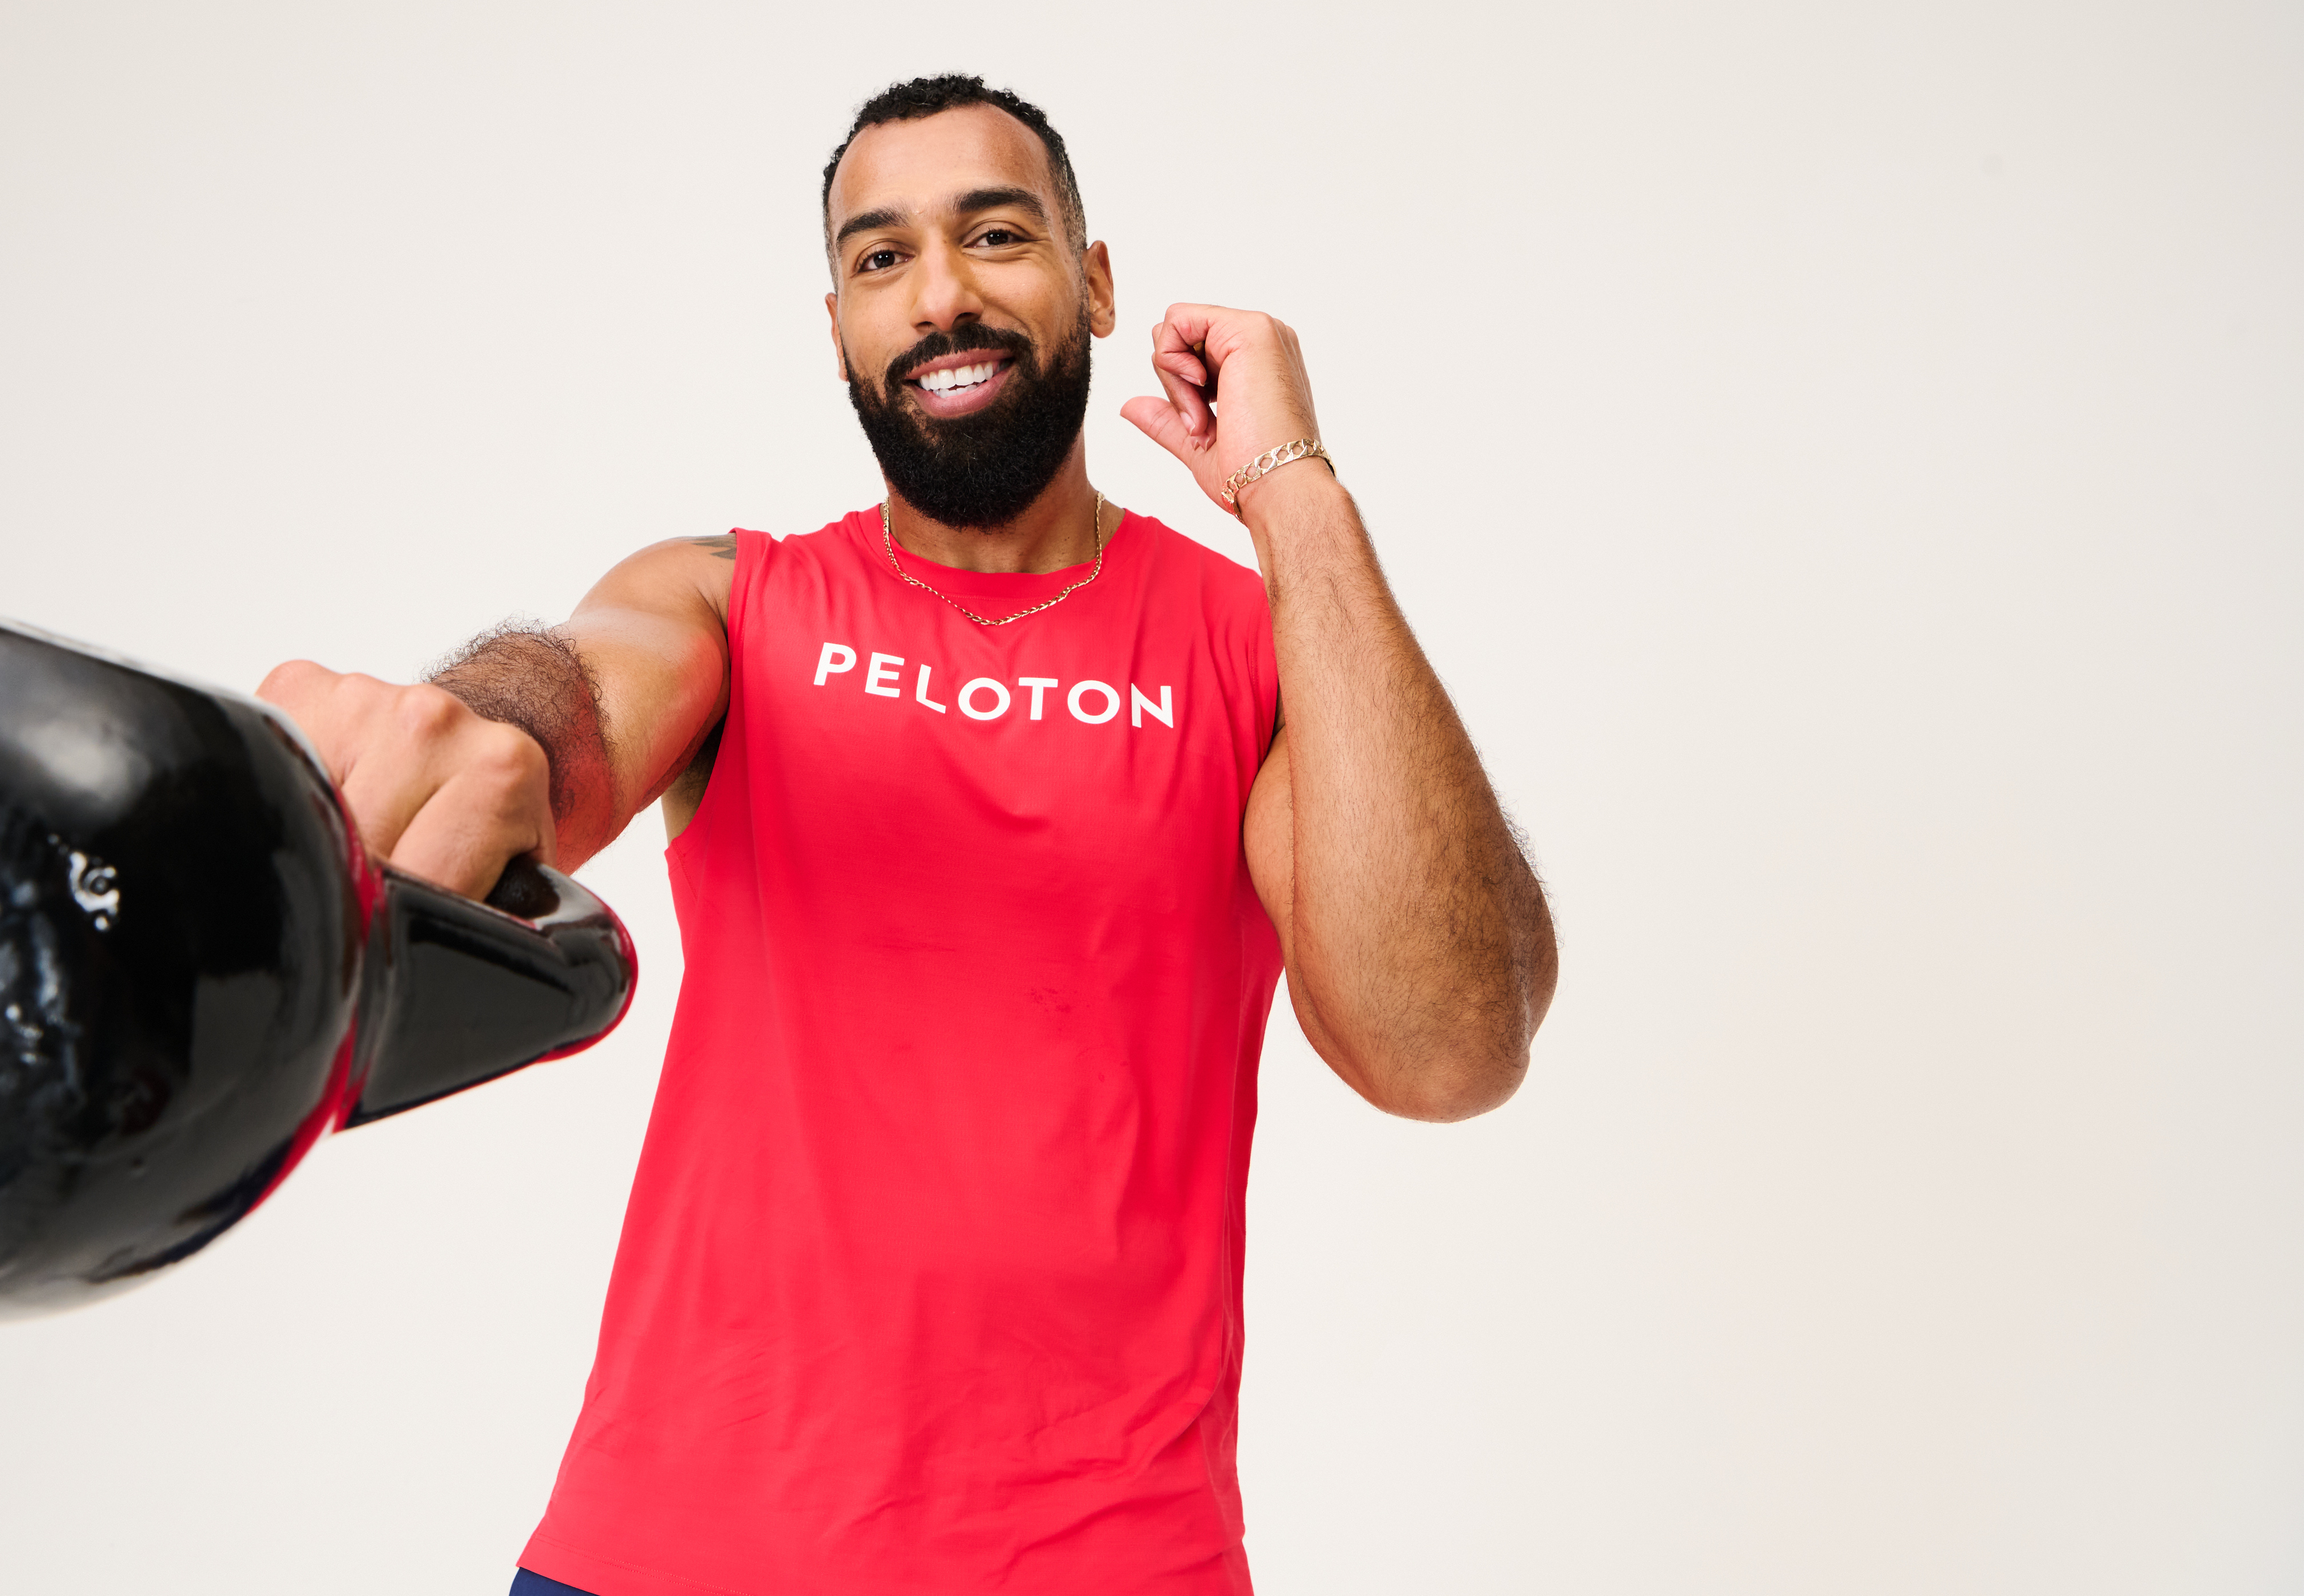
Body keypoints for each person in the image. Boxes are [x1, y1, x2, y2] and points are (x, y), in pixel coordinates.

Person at [262, 73, 1557, 1596]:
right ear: (837, 330)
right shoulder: (733, 602)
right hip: (670, 1556)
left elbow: (1447, 1042)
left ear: (1090, 283)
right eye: (880, 259)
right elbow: (577, 697)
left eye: (993, 235)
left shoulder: (1258, 649)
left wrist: (1294, 499)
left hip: (1108, 1563)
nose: (939, 294)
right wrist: (486, 724)